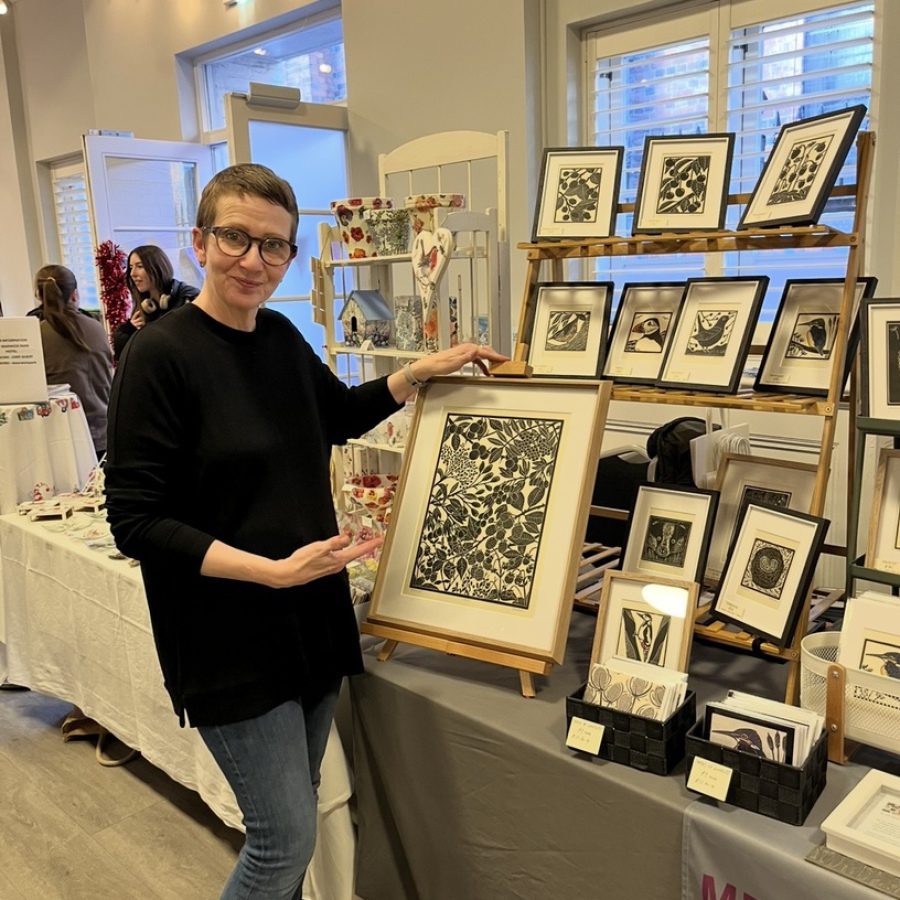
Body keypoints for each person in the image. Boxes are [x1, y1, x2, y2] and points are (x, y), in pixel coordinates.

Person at [104, 162, 507, 900]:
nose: (253, 260)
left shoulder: (281, 337)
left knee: (301, 825)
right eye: (236, 237)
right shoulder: (158, 355)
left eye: (274, 245)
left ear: (291, 254)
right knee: (282, 841)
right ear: (200, 241)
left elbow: (339, 413)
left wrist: (423, 370)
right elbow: (136, 521)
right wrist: (271, 571)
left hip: (310, 618)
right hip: (228, 635)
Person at [35, 265, 112, 456]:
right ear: (75, 295)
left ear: (39, 295)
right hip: (104, 431)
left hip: (62, 438)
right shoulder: (97, 328)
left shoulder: (36, 335)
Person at [112, 245, 200, 361]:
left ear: (158, 267)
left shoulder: (188, 298)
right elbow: (124, 355)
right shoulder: (143, 304)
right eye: (131, 267)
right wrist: (128, 330)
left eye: (139, 266)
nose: (132, 273)